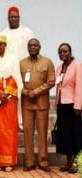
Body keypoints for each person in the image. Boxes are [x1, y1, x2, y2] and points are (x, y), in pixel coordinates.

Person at [0, 35, 21, 172]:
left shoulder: (12, 58)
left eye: (1, 44)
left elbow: (16, 76)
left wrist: (6, 93)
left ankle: (9, 162)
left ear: (6, 45)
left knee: (9, 129)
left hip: (9, 98)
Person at [20, 38, 55, 172]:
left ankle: (43, 161)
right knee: (28, 132)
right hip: (27, 103)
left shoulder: (47, 62)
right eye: (30, 46)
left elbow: (51, 81)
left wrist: (36, 92)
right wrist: (25, 91)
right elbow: (17, 81)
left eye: (35, 45)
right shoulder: (22, 63)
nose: (32, 47)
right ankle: (29, 162)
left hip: (41, 103)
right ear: (28, 48)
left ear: (40, 46)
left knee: (42, 132)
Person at [0, 6, 34, 130]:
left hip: (25, 69)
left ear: (19, 18)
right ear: (8, 19)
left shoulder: (27, 32)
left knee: (23, 96)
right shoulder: (3, 34)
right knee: (11, 96)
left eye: (15, 17)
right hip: (9, 70)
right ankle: (12, 121)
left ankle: (23, 122)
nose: (13, 19)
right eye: (11, 17)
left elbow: (32, 49)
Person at [55, 43, 82, 174]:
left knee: (75, 135)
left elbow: (79, 87)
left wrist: (78, 106)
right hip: (62, 105)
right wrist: (56, 103)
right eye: (60, 52)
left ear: (70, 52)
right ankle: (68, 162)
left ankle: (76, 163)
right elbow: (58, 86)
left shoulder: (77, 65)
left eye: (65, 51)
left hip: (72, 106)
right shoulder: (59, 68)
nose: (63, 54)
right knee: (65, 135)